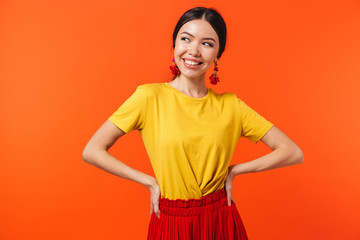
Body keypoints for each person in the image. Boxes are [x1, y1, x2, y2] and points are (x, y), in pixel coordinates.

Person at [82, 6, 304, 240]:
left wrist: (234, 171)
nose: (194, 51)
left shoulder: (231, 106)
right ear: (175, 45)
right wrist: (148, 181)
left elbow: (292, 152)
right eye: (185, 39)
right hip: (171, 220)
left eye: (207, 44)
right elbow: (92, 150)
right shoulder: (148, 98)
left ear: (217, 54)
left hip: (221, 218)